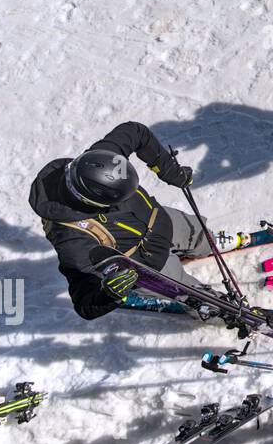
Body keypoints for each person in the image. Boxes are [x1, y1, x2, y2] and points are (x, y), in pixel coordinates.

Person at [28, 122, 217, 320]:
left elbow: (135, 132)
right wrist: (109, 294)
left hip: (161, 219)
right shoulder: (72, 238)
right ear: (93, 202)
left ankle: (207, 243)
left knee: (199, 234)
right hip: (149, 264)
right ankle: (213, 307)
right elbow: (84, 304)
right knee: (191, 294)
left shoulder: (99, 160)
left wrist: (169, 170)